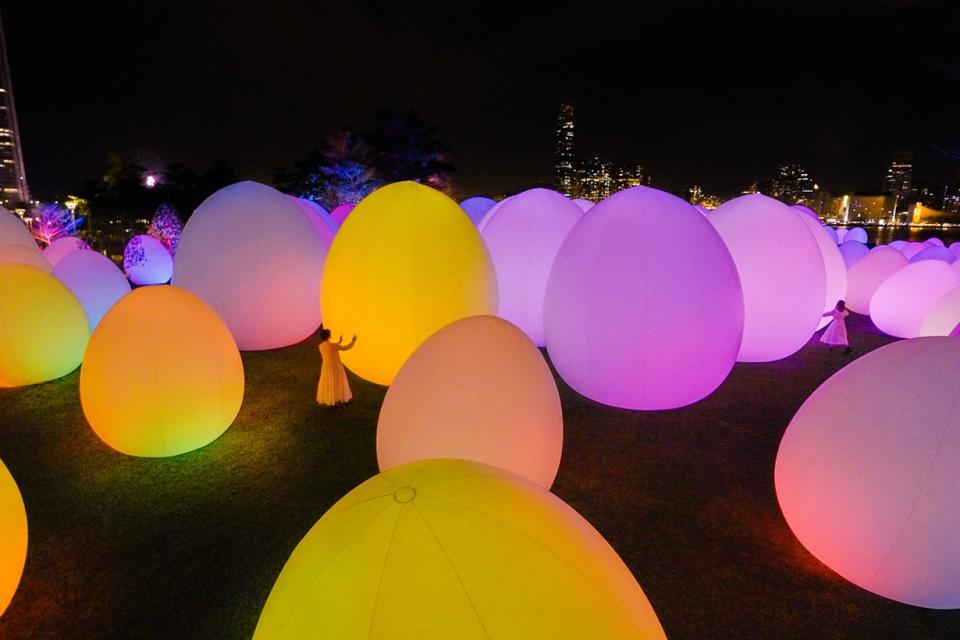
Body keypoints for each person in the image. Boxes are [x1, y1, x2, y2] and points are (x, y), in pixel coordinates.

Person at [316, 325, 358, 406]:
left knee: (329, 382)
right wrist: (353, 341)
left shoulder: (321, 346)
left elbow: (332, 347)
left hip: (326, 366)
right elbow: (346, 348)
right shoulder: (334, 346)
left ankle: (332, 399)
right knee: (338, 381)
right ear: (329, 336)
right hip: (335, 365)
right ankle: (341, 397)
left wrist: (339, 341)